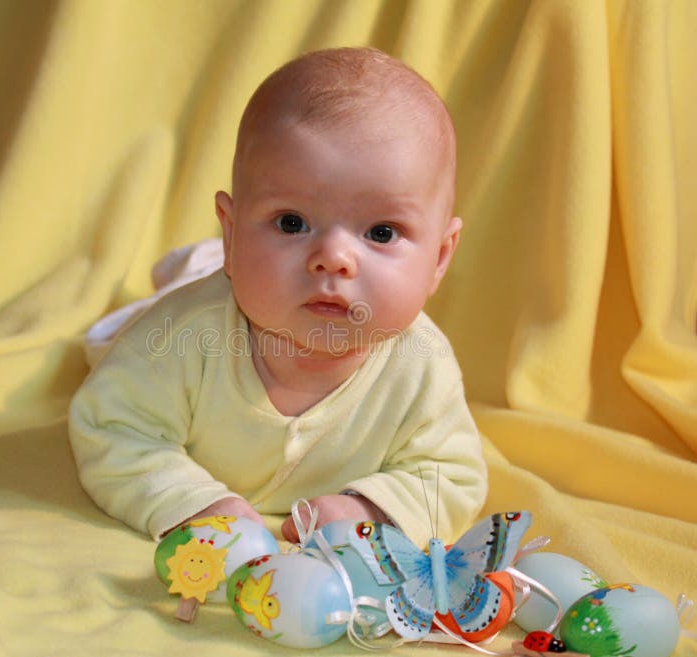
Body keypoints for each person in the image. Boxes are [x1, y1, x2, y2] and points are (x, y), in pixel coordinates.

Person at [68, 47, 487, 548]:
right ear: (232, 233)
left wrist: (367, 507)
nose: (334, 259)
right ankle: (191, 267)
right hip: (191, 301)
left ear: (439, 259)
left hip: (246, 273)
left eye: (381, 232)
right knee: (121, 333)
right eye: (292, 223)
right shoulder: (180, 337)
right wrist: (197, 503)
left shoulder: (423, 365)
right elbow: (112, 429)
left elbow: (450, 476)